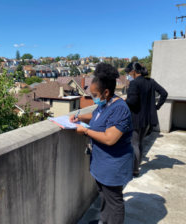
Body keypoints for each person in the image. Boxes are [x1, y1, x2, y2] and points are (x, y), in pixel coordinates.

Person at [69, 63, 134, 224]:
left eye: (95, 95)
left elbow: (109, 138)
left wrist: (85, 131)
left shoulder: (120, 108)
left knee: (114, 201)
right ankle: (104, 221)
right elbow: (96, 115)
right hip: (102, 163)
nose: (93, 98)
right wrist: (79, 117)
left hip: (114, 165)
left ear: (106, 92)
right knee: (104, 196)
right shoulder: (106, 103)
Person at [124, 62, 168, 177]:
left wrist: (124, 100)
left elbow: (132, 101)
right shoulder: (151, 81)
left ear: (133, 71)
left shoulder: (134, 83)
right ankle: (137, 165)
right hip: (147, 118)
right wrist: (156, 107)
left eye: (128, 72)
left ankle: (135, 170)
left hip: (136, 118)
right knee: (141, 142)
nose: (128, 75)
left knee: (134, 143)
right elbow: (164, 93)